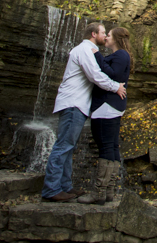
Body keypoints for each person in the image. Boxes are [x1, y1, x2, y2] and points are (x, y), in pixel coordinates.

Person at [41, 22, 126, 203]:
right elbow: (95, 75)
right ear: (94, 34)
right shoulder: (85, 50)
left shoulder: (88, 50)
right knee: (63, 146)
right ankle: (51, 189)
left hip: (77, 104)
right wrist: (115, 87)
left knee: (68, 146)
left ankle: (65, 187)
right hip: (73, 104)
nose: (105, 36)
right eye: (103, 33)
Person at [77, 26, 133, 205]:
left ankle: (99, 192)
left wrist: (97, 56)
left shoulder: (121, 54)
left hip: (107, 105)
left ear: (116, 38)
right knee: (112, 146)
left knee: (106, 146)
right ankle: (109, 191)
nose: (106, 37)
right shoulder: (121, 55)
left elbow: (114, 76)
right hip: (111, 105)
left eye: (108, 35)